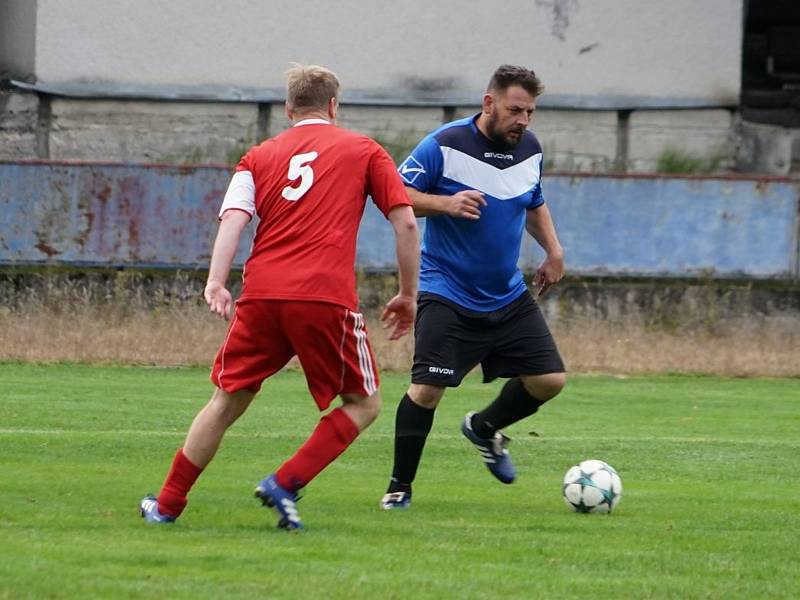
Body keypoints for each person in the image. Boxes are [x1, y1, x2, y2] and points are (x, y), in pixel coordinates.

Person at [139, 64, 419, 531]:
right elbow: (406, 222)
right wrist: (408, 293)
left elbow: (233, 219)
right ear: (333, 105)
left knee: (225, 401)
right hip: (323, 298)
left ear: (289, 110)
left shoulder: (258, 156)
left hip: (262, 295)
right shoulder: (364, 149)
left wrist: (215, 281)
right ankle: (286, 482)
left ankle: (167, 505)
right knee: (363, 403)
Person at [381, 64, 566, 510]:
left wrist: (554, 251)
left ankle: (483, 429)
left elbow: (533, 202)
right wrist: (444, 202)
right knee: (426, 390)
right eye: (515, 109)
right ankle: (398, 488)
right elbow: (396, 195)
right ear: (489, 103)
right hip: (447, 289)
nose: (523, 120)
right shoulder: (444, 144)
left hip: (506, 293)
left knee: (550, 380)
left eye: (530, 112)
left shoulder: (531, 148)